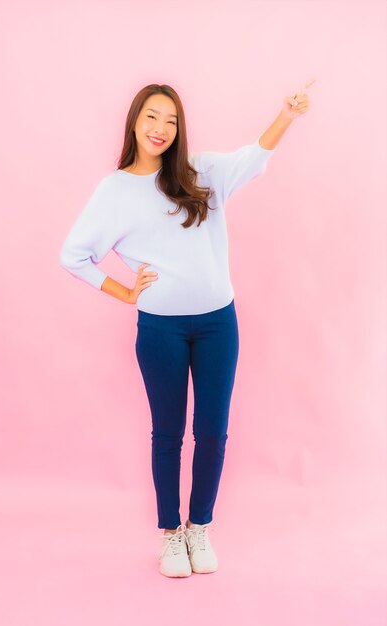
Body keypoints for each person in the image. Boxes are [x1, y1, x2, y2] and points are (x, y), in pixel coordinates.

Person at [59, 82, 311, 578]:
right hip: (160, 330)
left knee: (213, 432)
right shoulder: (114, 190)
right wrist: (125, 292)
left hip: (219, 322)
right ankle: (171, 535)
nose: (161, 128)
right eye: (152, 117)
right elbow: (73, 255)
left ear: (180, 129)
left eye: (171, 120)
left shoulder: (201, 172)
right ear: (135, 121)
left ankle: (200, 526)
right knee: (168, 433)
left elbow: (255, 154)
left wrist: (286, 114)